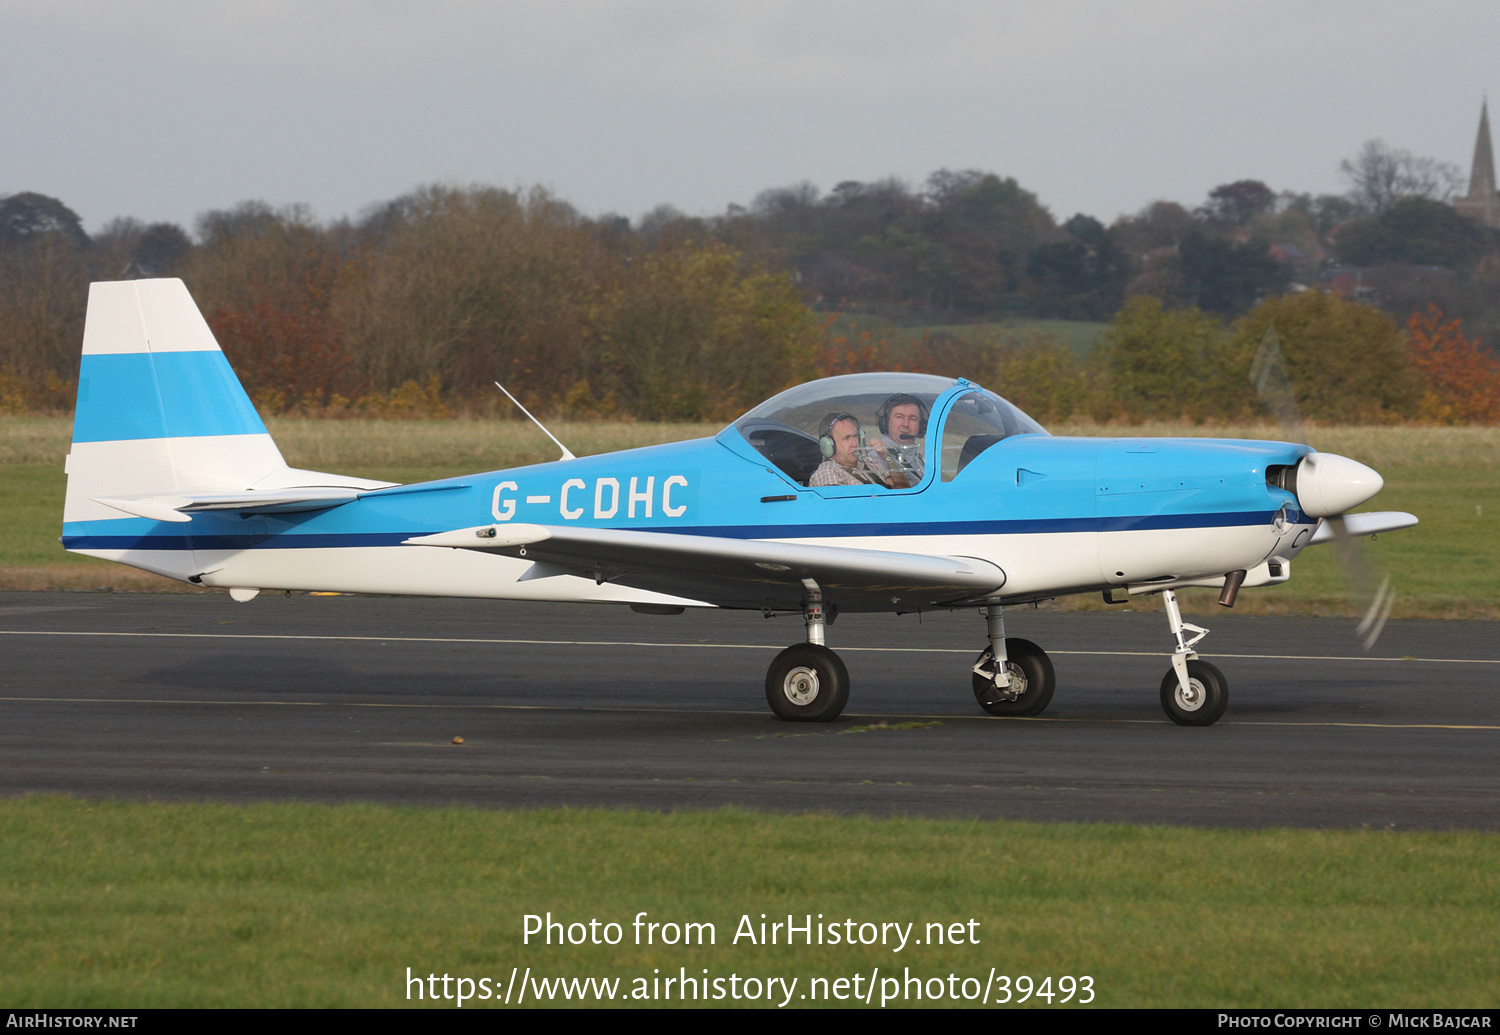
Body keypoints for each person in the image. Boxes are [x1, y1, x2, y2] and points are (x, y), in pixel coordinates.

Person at [809, 412, 896, 488]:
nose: (854, 444)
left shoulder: (869, 461)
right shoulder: (827, 473)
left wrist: (888, 458)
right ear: (829, 445)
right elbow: (845, 506)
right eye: (846, 438)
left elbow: (903, 488)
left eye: (855, 436)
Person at [871, 393, 927, 488]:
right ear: (886, 422)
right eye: (899, 417)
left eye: (912, 418)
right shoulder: (876, 459)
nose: (905, 424)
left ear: (920, 425)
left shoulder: (915, 456)